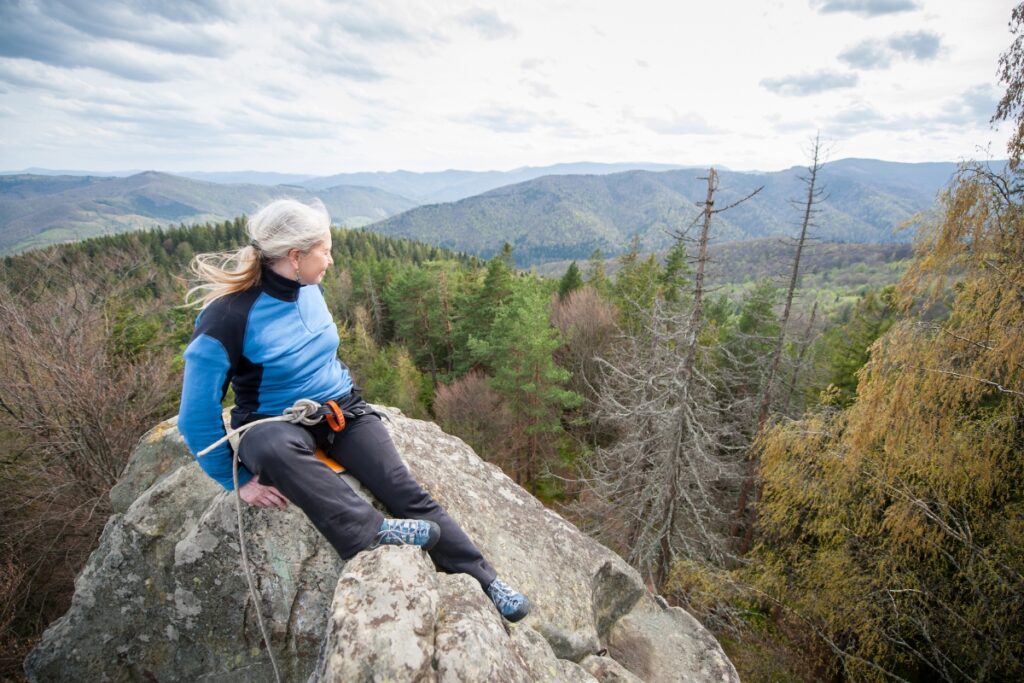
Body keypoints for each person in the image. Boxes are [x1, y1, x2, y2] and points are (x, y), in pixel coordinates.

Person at [178, 198, 530, 622]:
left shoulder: (311, 289)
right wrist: (233, 479)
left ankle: (485, 580)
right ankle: (373, 531)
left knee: (402, 488)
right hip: (272, 423)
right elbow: (194, 416)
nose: (330, 258)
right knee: (273, 451)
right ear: (294, 256)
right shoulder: (226, 319)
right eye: (323, 250)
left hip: (340, 409)